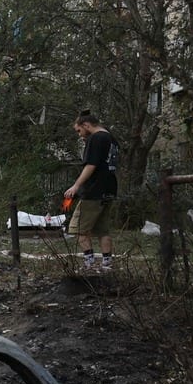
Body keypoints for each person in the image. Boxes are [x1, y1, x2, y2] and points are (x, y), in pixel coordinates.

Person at [64, 111, 119, 270]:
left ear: (86, 125)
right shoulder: (111, 139)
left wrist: (76, 186)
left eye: (79, 130)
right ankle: (107, 264)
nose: (80, 135)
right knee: (103, 229)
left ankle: (89, 264)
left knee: (78, 229)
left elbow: (91, 165)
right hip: (109, 189)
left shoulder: (96, 138)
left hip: (94, 191)